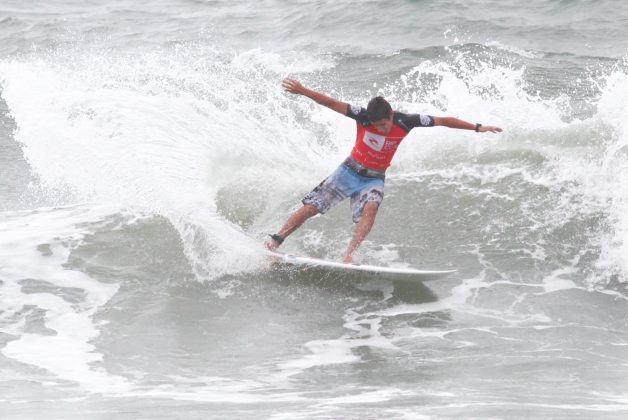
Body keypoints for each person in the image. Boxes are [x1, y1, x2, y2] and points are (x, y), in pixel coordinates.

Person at [266, 78, 502, 263]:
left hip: (374, 179)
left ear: (390, 115)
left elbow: (444, 120)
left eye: (382, 125)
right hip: (348, 171)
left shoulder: (407, 121)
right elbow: (330, 103)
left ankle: (348, 255)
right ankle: (277, 240)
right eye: (375, 125)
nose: (379, 129)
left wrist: (478, 127)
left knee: (371, 208)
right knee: (312, 207)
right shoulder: (362, 116)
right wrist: (303, 90)